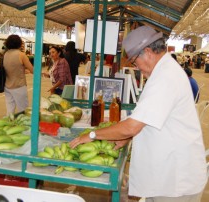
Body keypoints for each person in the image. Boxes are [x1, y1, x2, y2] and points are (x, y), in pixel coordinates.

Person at [70, 26, 207, 202]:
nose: (136, 67)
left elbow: (133, 125)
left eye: (134, 61)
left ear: (148, 52)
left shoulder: (165, 77)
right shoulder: (164, 71)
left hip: (176, 182)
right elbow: (148, 117)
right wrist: (127, 137)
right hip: (167, 174)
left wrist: (93, 135)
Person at [3, 34, 34, 115]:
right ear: (19, 43)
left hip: (7, 86)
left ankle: (8, 125)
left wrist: (23, 70)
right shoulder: (21, 55)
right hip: (19, 86)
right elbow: (32, 70)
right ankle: (24, 127)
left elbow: (11, 68)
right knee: (23, 111)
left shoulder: (6, 54)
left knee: (10, 111)